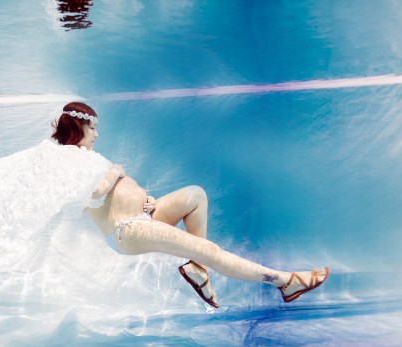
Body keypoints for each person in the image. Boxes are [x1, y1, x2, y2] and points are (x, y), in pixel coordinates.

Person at [52, 102, 329, 308]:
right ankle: (285, 281)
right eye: (92, 128)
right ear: (77, 127)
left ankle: (197, 268)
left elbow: (112, 193)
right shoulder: (68, 162)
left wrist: (143, 197)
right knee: (209, 250)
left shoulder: (87, 158)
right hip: (126, 230)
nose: (97, 134)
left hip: (141, 219)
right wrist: (116, 171)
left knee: (195, 195)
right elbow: (94, 193)